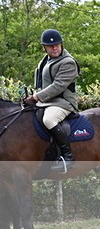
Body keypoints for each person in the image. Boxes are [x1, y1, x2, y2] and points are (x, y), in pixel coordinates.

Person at [23, 29, 80, 172]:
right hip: (46, 102)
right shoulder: (46, 60)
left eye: (57, 45)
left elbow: (58, 86)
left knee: (49, 120)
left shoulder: (68, 62)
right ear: (44, 47)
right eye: (51, 46)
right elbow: (43, 84)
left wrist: (36, 97)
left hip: (63, 103)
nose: (55, 48)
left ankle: (68, 157)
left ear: (61, 44)